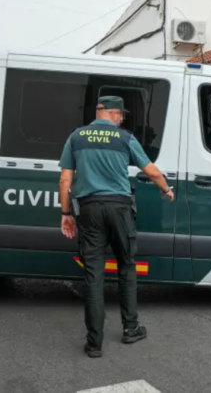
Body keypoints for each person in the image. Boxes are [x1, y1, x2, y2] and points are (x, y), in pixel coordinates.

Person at [58, 96, 174, 358]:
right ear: (111, 113)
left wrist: (66, 213)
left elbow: (65, 178)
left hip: (89, 210)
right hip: (120, 209)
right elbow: (151, 171)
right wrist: (166, 189)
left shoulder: (76, 137)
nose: (122, 118)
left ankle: (94, 343)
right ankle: (130, 328)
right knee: (126, 266)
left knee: (93, 275)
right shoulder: (124, 138)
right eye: (120, 114)